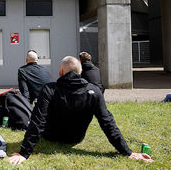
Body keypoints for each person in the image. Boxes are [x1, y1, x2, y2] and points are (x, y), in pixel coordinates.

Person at [9, 56, 153, 165]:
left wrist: (24, 153)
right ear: (81, 71)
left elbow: (37, 121)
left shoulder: (50, 89)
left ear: (61, 72)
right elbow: (107, 122)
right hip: (75, 138)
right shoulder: (94, 91)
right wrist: (126, 151)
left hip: (51, 135)